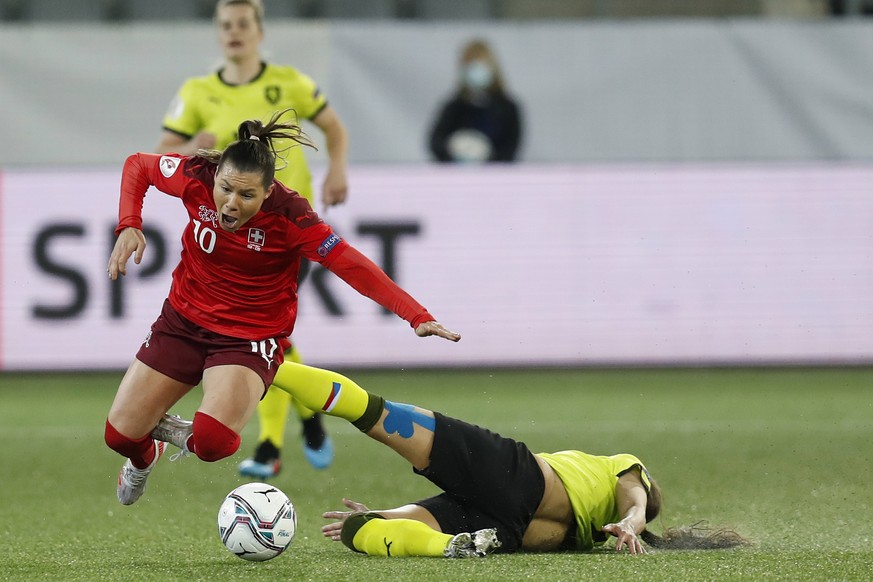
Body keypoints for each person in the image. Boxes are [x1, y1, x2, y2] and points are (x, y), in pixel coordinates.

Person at [105, 110, 461, 506]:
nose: (231, 203)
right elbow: (138, 164)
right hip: (182, 321)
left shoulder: (292, 216)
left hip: (247, 340)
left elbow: (352, 265)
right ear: (216, 174)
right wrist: (129, 223)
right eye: (225, 189)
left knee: (212, 443)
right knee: (119, 436)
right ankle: (145, 456)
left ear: (269, 190)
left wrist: (416, 315)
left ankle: (177, 431)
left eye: (247, 195)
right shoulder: (195, 175)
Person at [152, 360, 749, 557]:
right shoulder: (594, 535)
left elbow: (635, 491)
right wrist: (628, 527)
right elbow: (628, 504)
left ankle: (265, 363)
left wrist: (639, 518)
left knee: (375, 413)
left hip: (517, 473)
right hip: (508, 528)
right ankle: (444, 547)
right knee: (361, 530)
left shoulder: (628, 474)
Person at [156, 0, 350, 479]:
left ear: (260, 31)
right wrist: (193, 142)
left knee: (260, 334)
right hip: (230, 234)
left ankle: (268, 445)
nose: (234, 33)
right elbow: (163, 153)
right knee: (262, 336)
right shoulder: (198, 92)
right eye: (226, 26)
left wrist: (337, 169)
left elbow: (332, 127)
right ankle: (306, 417)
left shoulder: (289, 83)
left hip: (286, 234)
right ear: (218, 34)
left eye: (243, 24)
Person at [428, 39, 523, 164]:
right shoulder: (454, 107)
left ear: (492, 68)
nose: (476, 69)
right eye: (471, 65)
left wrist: (487, 158)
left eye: (481, 64)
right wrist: (454, 152)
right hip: (456, 176)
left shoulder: (507, 108)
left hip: (495, 176)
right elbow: (436, 141)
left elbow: (511, 145)